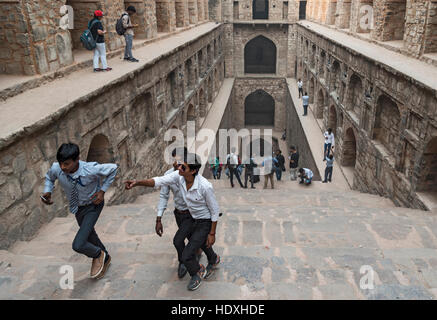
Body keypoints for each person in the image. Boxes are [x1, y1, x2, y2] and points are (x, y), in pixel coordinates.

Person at [124, 152, 220, 291]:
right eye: (180, 165)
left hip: (204, 222)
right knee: (177, 241)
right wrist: (137, 182)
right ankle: (212, 258)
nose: (178, 168)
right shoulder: (178, 176)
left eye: (183, 167)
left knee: (188, 253)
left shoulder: (205, 186)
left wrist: (212, 233)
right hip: (191, 218)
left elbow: (215, 210)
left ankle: (197, 272)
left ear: (193, 171)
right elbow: (157, 181)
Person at [41, 143, 118, 279]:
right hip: (77, 207)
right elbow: (49, 177)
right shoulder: (56, 168)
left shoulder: (90, 169)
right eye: (61, 164)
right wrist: (48, 191)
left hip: (93, 205)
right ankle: (105, 257)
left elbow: (113, 169)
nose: (63, 167)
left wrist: (102, 191)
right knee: (89, 234)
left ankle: (98, 254)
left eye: (66, 164)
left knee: (79, 244)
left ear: (77, 160)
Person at [156, 148, 204, 279]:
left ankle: (185, 262)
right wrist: (158, 218)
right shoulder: (168, 175)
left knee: (179, 240)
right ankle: (193, 256)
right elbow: (163, 196)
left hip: (193, 213)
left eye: (180, 160)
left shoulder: (192, 173)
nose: (177, 163)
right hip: (179, 213)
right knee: (186, 238)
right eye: (174, 160)